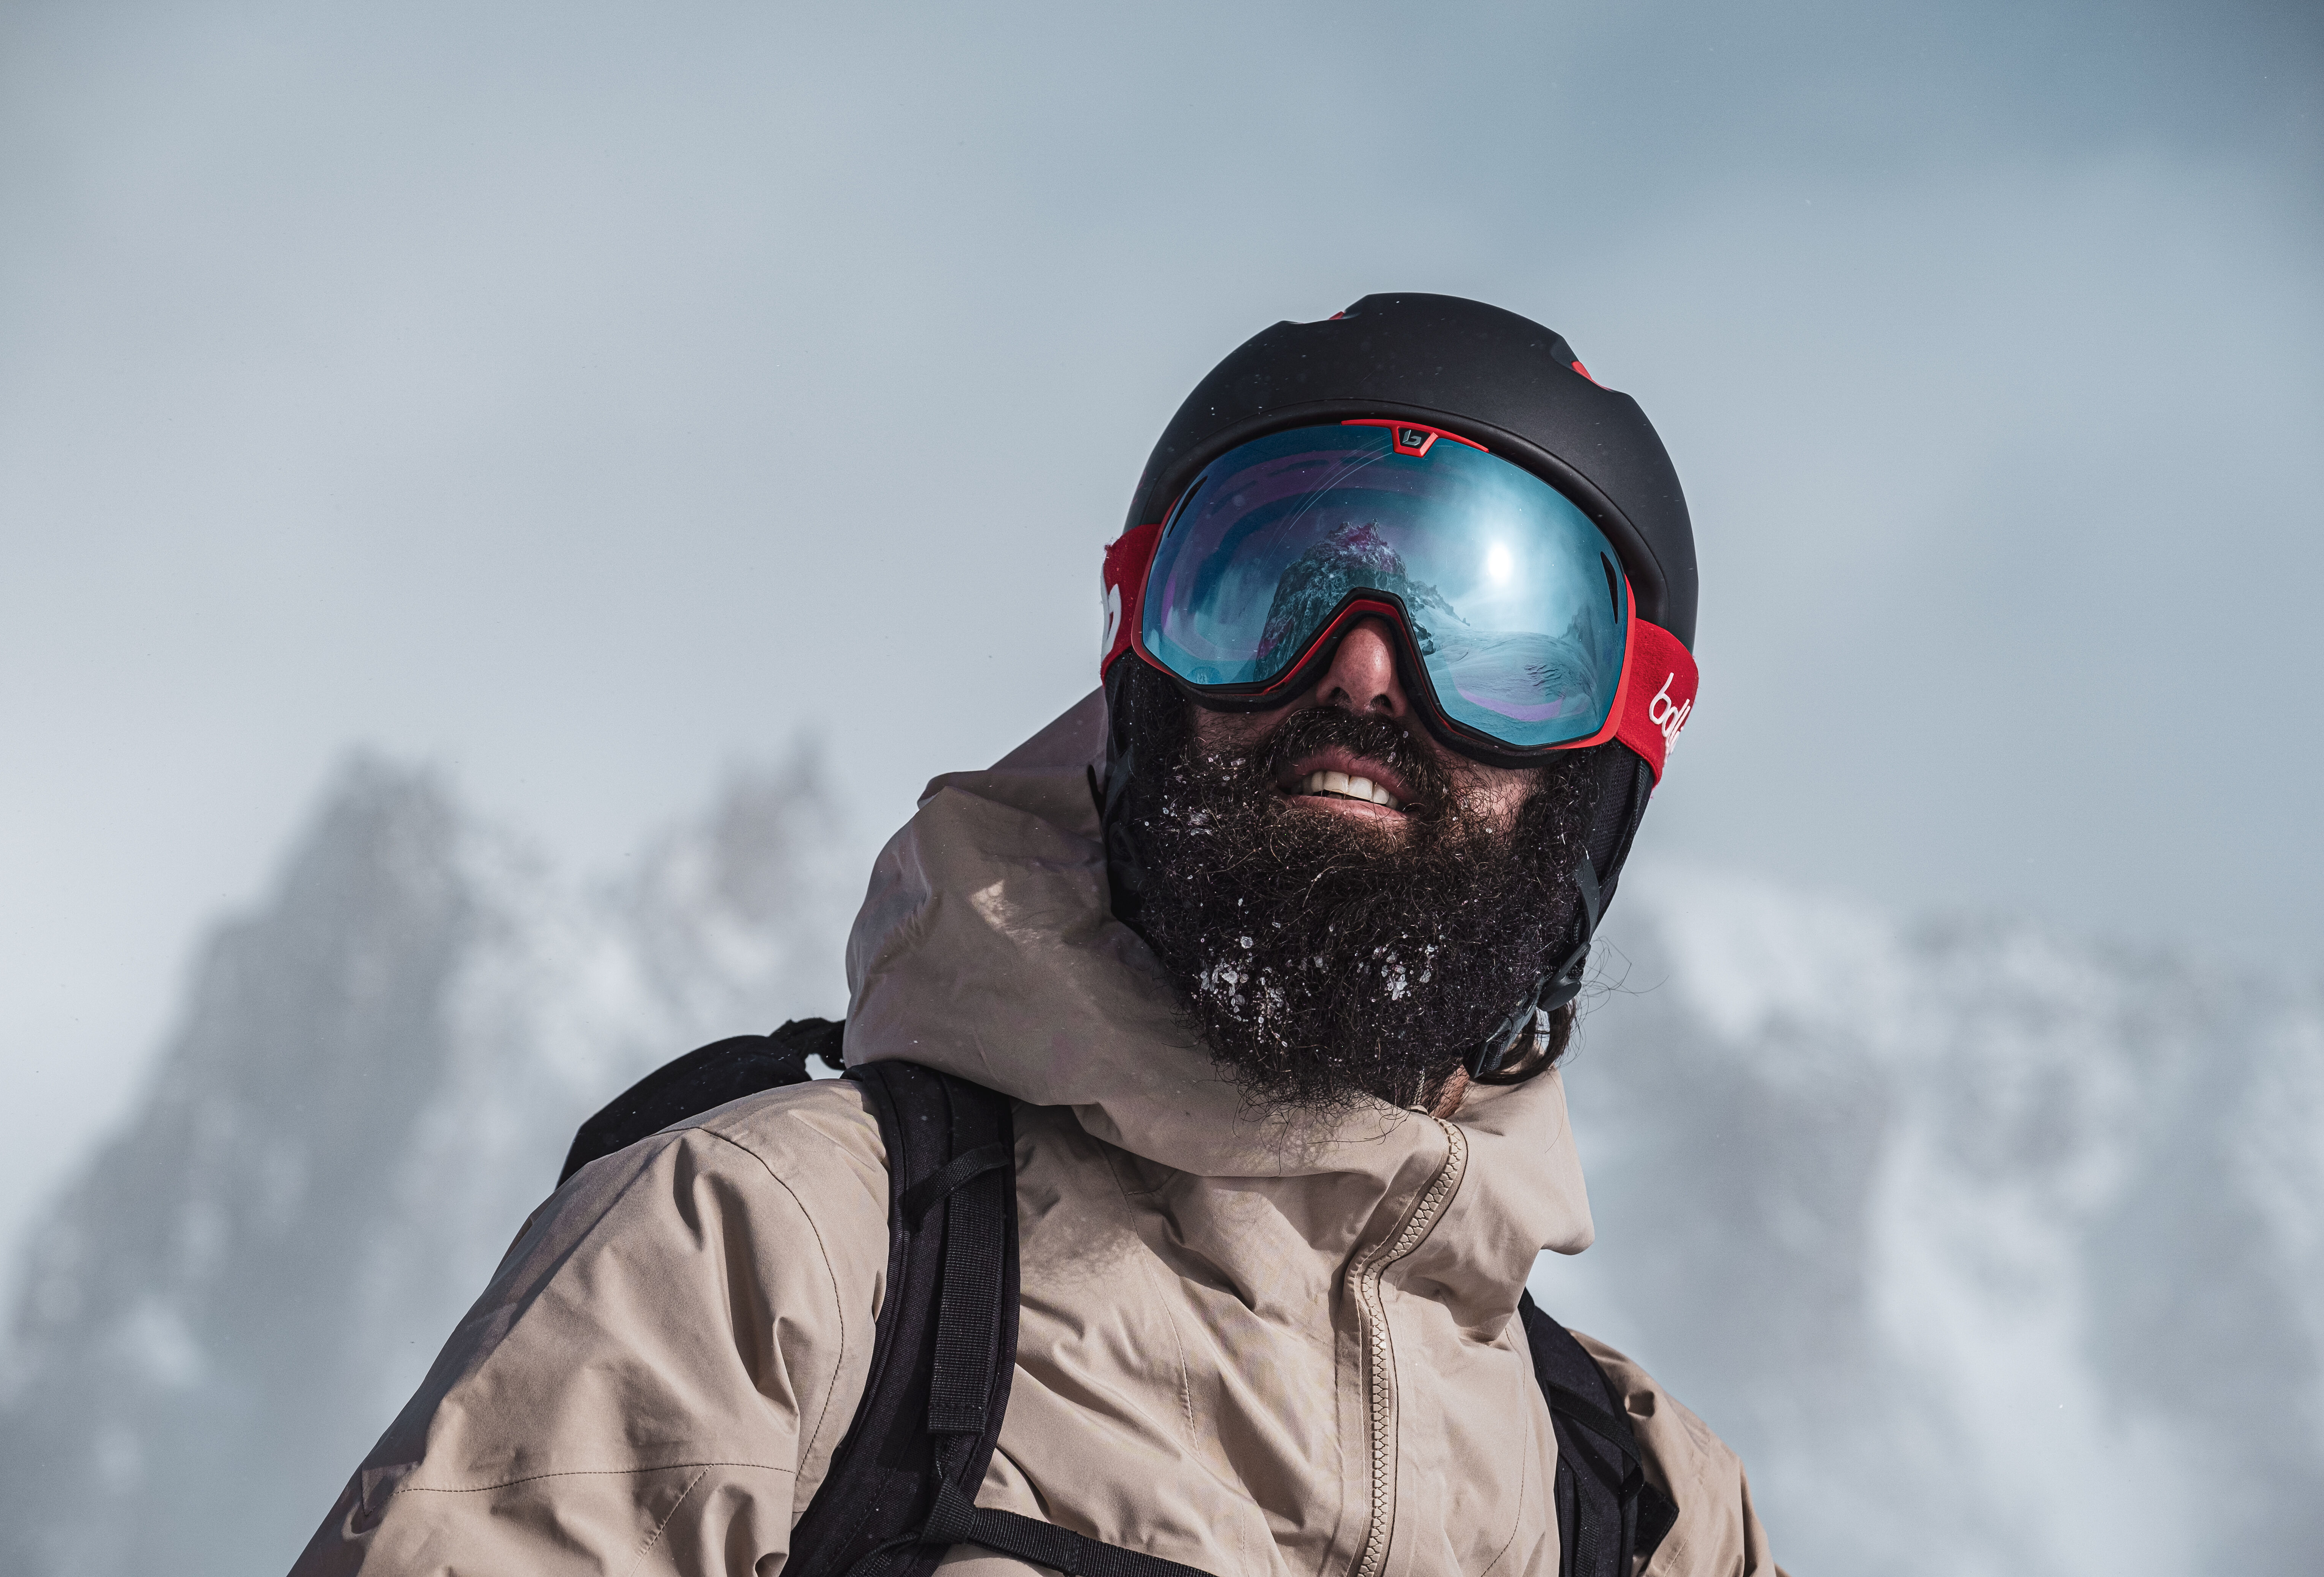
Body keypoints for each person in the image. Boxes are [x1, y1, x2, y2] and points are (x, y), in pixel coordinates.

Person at [290, 293, 1779, 1577]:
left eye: (1508, 643)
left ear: (1604, 775)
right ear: (1140, 678)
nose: (1367, 670)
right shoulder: (786, 1253)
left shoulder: (1649, 1517)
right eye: (1266, 593)